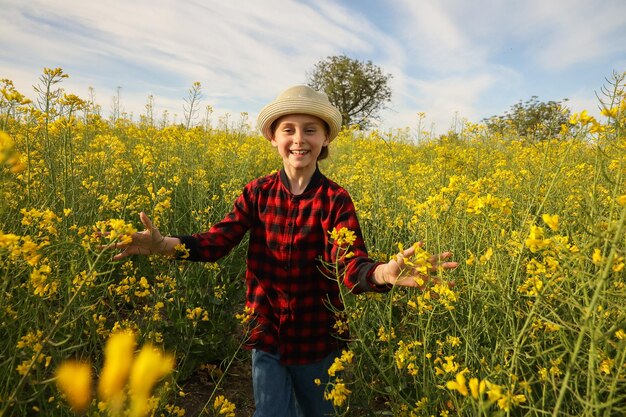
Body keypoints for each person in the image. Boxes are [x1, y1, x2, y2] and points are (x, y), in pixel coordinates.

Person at [105, 85, 458, 417]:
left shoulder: (335, 200)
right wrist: (161, 245)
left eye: (310, 130)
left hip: (318, 339)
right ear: (273, 138)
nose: (299, 139)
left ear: (324, 140)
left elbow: (349, 264)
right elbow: (216, 243)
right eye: (288, 129)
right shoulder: (256, 193)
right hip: (266, 333)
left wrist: (382, 273)